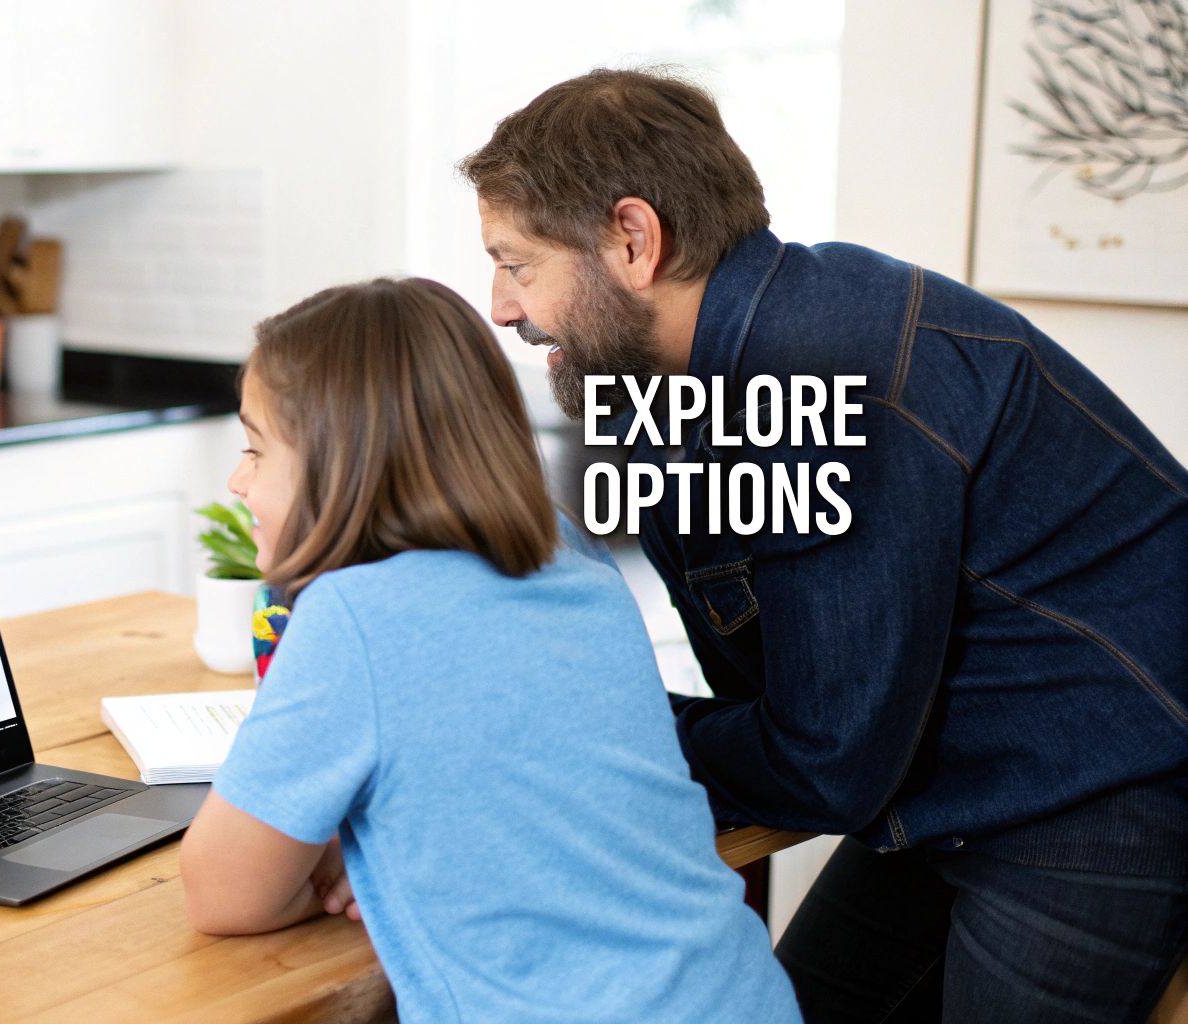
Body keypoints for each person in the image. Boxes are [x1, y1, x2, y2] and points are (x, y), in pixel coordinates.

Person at [461, 67, 1188, 1022]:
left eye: (518, 264)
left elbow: (825, 763)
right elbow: (777, 693)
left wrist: (599, 739)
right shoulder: (691, 381)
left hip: (1094, 790)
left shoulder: (824, 383)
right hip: (947, 777)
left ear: (634, 241)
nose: (501, 305)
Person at [179, 277, 799, 1023]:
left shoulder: (353, 617)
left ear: (340, 462)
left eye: (254, 448)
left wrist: (331, 858)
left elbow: (221, 895)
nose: (236, 480)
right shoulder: (572, 558)